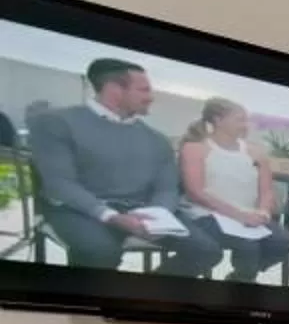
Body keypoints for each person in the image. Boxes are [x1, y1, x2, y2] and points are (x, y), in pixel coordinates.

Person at [25, 58, 220, 274]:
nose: (151, 97)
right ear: (114, 89)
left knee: (206, 251)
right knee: (100, 253)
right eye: (144, 90)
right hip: (79, 210)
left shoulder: (157, 139)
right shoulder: (56, 122)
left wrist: (157, 216)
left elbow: (166, 188)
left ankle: (145, 299)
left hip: (143, 211)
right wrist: (110, 216)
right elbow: (59, 183)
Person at [178, 97, 289, 282]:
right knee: (248, 245)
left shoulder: (256, 152)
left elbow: (266, 191)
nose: (245, 124)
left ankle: (239, 279)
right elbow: (196, 192)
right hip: (208, 215)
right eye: (239, 119)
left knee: (283, 241)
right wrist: (240, 216)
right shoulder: (195, 148)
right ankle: (243, 283)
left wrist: (263, 212)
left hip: (249, 216)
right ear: (218, 120)